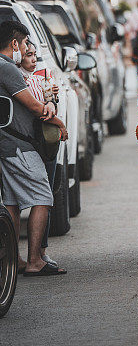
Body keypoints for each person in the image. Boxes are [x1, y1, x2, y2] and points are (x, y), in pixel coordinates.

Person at [0, 20, 66, 277]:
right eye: (26, 43)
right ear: (14, 43)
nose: (28, 48)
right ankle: (35, 260)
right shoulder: (7, 69)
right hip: (17, 145)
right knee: (42, 196)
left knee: (13, 203)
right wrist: (51, 112)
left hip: (8, 143)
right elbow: (33, 107)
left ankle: (14, 260)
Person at [19, 41, 68, 269]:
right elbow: (36, 111)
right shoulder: (15, 79)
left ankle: (42, 251)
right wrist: (58, 121)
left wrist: (51, 99)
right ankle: (23, 256)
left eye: (34, 55)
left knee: (46, 194)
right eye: (28, 55)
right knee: (33, 198)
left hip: (45, 143)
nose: (33, 59)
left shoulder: (42, 78)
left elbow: (49, 105)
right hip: (26, 143)